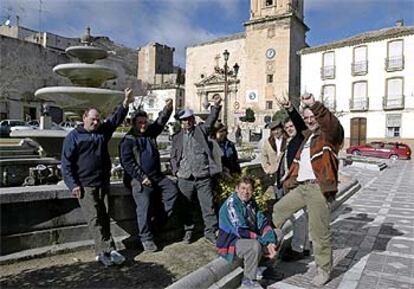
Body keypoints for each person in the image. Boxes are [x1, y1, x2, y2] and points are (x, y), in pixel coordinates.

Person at [272, 92, 344, 287]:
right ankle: (270, 247)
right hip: (301, 187)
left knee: (319, 232)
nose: (310, 121)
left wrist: (314, 105)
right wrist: (289, 108)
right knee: (278, 210)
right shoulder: (308, 137)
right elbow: (299, 122)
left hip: (317, 189)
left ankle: (323, 270)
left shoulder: (328, 135)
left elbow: (331, 123)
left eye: (313, 117)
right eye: (307, 118)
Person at [61, 88, 134, 267]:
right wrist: (73, 185)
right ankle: (105, 252)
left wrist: (125, 102)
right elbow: (66, 163)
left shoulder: (101, 132)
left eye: (98, 119)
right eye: (92, 118)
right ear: (84, 117)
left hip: (102, 183)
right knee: (94, 219)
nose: (96, 121)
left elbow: (116, 119)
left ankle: (108, 250)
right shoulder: (74, 137)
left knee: (104, 216)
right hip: (85, 186)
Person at [119, 98, 178, 252]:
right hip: (139, 179)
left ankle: (154, 226)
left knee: (172, 191)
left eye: (145, 122)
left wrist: (168, 108)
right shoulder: (128, 140)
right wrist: (142, 177)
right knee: (144, 206)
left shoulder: (150, 133)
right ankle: (146, 237)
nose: (143, 125)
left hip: (156, 176)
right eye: (140, 123)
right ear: (133, 124)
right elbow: (128, 163)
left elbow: (160, 121)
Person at [170, 95, 222, 244]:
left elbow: (211, 119)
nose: (188, 122)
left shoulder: (201, 130)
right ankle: (188, 231)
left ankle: (210, 232)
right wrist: (175, 170)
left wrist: (216, 106)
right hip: (184, 178)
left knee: (208, 206)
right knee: (185, 207)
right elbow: (173, 156)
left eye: (190, 119)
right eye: (185, 120)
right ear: (181, 123)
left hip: (203, 176)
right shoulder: (176, 137)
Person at [217, 176, 283, 289]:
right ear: (236, 189)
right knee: (254, 245)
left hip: (248, 237)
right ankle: (248, 280)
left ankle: (264, 268)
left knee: (278, 234)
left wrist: (270, 241)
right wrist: (264, 243)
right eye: (242, 188)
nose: (245, 192)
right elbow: (241, 231)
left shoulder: (251, 202)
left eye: (249, 189)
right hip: (232, 241)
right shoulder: (231, 205)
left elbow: (263, 222)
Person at [275, 98, 311, 261]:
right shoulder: (291, 142)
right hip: (291, 184)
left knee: (298, 217)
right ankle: (305, 247)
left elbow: (301, 124)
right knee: (301, 216)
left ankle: (297, 249)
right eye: (287, 127)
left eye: (291, 126)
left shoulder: (301, 139)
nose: (289, 129)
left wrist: (290, 109)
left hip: (296, 184)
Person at [260, 121, 286, 196]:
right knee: (277, 194)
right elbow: (263, 156)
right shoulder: (268, 142)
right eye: (274, 130)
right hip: (274, 173)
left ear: (282, 129)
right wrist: (267, 168)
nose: (276, 132)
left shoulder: (287, 140)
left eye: (278, 129)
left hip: (285, 172)